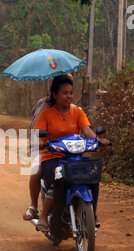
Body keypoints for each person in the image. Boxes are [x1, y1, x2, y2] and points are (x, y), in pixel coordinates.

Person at [31, 76, 110, 232]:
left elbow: (86, 130)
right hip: (52, 157)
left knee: (93, 176)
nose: (69, 96)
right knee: (58, 179)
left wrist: (97, 139)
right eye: (64, 93)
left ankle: (92, 213)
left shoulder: (78, 112)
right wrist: (40, 142)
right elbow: (37, 135)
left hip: (75, 157)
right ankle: (43, 215)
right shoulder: (46, 115)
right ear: (55, 95)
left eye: (71, 93)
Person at [23, 74, 77, 221]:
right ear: (55, 89)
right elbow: (35, 127)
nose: (68, 94)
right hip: (45, 148)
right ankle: (34, 206)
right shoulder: (43, 106)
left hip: (68, 150)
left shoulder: (75, 108)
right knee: (36, 168)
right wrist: (39, 143)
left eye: (70, 89)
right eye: (64, 90)